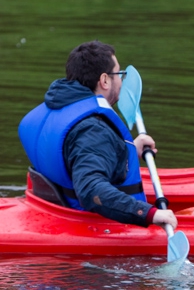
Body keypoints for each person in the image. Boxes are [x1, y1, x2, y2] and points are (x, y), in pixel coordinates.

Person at [18, 41, 178, 229]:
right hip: (87, 224)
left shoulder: (58, 107)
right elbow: (91, 190)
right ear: (104, 80)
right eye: (119, 74)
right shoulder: (93, 131)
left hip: (49, 211)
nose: (121, 81)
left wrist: (125, 151)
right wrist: (149, 214)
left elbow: (76, 155)